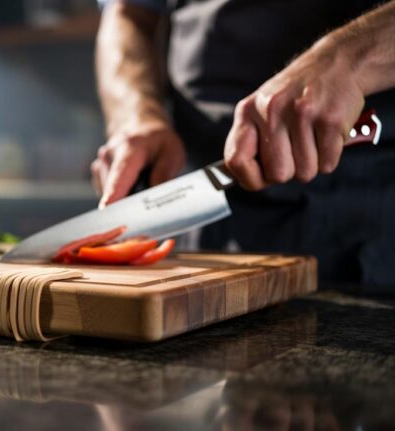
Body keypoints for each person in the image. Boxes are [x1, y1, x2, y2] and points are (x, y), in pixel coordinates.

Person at [92, 0, 395, 285]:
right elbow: (128, 13)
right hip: (206, 217)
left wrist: (348, 59)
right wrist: (136, 115)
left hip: (371, 221)